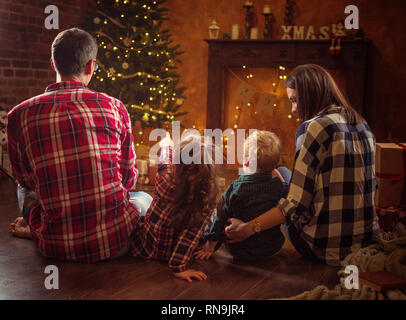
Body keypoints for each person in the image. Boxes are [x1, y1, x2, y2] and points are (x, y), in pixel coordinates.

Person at [7, 28, 152, 262]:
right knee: (144, 197)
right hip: (114, 242)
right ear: (90, 66)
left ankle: (36, 228)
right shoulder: (114, 107)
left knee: (23, 190)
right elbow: (127, 178)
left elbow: (25, 180)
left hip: (54, 245)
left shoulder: (18, 115)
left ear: (53, 64)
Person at [225, 64, 379, 266]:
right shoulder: (361, 121)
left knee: (279, 171)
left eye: (295, 100)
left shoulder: (314, 127)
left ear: (311, 95)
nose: (294, 109)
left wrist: (248, 228)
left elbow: (295, 205)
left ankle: (253, 235)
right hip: (365, 242)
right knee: (283, 175)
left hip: (321, 246)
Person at [130, 133, 218, 282]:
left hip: (148, 248)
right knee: (209, 219)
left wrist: (167, 145)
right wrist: (179, 267)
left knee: (141, 200)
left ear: (176, 165)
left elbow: (164, 161)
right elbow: (189, 238)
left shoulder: (165, 180)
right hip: (176, 252)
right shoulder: (205, 200)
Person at [194, 130, 288, 260]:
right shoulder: (279, 186)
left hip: (241, 249)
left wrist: (211, 244)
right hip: (271, 248)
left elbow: (220, 216)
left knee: (216, 213)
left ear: (246, 161)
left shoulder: (236, 188)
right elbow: (288, 196)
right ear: (275, 165)